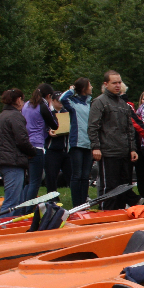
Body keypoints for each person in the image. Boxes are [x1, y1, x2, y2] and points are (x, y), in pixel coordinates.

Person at [88, 70, 138, 210]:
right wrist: (95, 147)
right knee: (109, 187)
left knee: (124, 186)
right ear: (106, 84)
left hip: (124, 151)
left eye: (119, 82)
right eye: (114, 83)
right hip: (108, 151)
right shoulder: (99, 102)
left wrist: (132, 148)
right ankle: (106, 213)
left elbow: (129, 128)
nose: (117, 85)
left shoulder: (123, 104)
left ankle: (120, 213)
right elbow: (93, 126)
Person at [0, 89, 36, 217]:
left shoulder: (3, 115)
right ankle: (2, 225)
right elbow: (22, 140)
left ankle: (14, 224)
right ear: (18, 100)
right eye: (22, 99)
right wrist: (32, 152)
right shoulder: (15, 116)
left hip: (4, 159)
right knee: (12, 201)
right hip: (12, 161)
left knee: (16, 201)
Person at [58, 78, 94, 207]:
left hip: (88, 143)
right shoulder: (73, 103)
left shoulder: (89, 103)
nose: (92, 87)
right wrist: (72, 90)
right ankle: (76, 204)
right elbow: (62, 99)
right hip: (77, 143)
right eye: (89, 85)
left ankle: (83, 203)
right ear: (84, 88)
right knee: (77, 175)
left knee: (85, 176)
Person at [22, 84, 59, 203]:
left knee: (28, 180)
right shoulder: (42, 106)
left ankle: (22, 205)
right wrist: (51, 109)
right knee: (35, 181)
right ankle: (28, 208)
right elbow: (55, 125)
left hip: (25, 144)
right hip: (37, 145)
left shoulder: (26, 104)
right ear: (48, 96)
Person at [45, 93, 72, 195]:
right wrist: (48, 132)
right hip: (52, 149)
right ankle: (52, 197)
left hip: (66, 149)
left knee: (71, 174)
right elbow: (42, 128)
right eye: (58, 100)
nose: (60, 103)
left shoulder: (67, 112)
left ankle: (77, 197)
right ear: (52, 101)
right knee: (51, 175)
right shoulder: (48, 113)